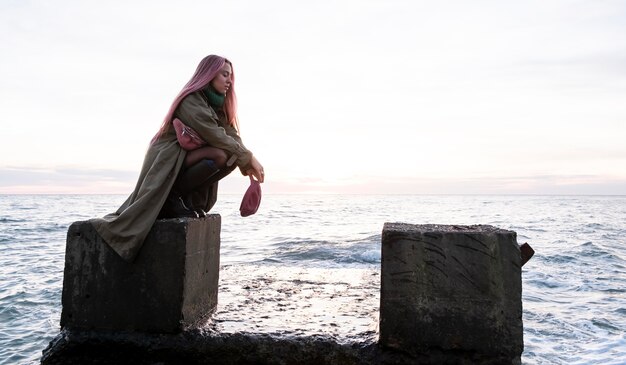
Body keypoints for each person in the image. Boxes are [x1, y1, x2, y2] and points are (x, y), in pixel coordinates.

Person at [90, 55, 264, 262]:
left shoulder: (216, 107)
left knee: (232, 157)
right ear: (209, 74)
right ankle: (172, 197)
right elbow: (214, 135)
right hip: (169, 155)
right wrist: (248, 158)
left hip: (187, 156)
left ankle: (181, 198)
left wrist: (249, 160)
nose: (229, 81)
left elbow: (231, 136)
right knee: (220, 154)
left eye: (231, 76)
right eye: (224, 74)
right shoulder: (191, 100)